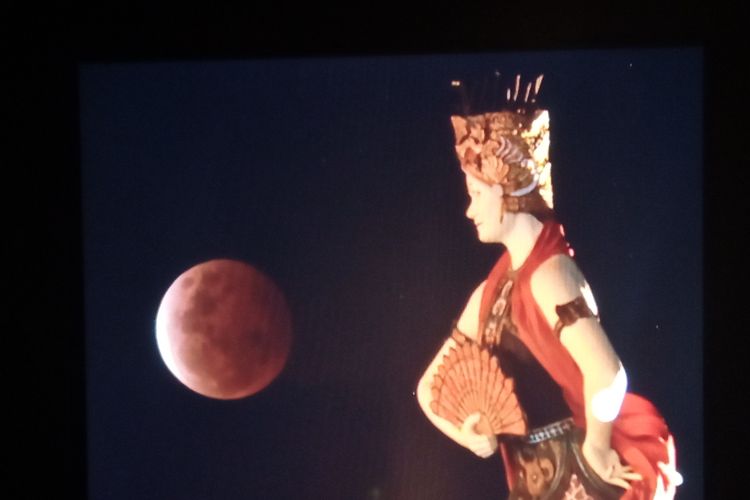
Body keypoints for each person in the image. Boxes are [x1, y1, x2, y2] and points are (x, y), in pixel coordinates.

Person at [415, 75, 681, 499]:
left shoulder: (550, 275)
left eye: (477, 194)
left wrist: (596, 446)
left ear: (508, 194)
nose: (469, 210)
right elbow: (429, 388)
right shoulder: (489, 292)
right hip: (532, 486)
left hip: (579, 481)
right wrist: (467, 435)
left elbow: (608, 374)